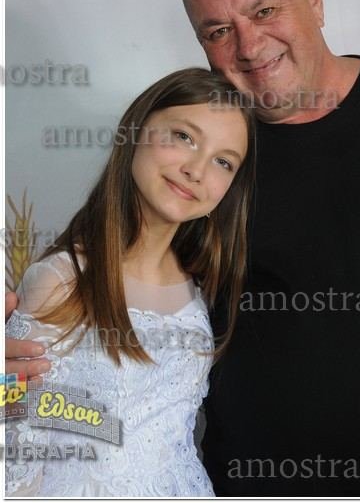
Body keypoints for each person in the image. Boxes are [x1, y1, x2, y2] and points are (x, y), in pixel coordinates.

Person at [6, 0, 360, 496]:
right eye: (218, 31)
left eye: (265, 11)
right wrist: (11, 367)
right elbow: (94, 300)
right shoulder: (203, 161)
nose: (249, 47)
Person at [5, 67, 256, 497]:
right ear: (136, 131)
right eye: (184, 136)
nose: (196, 170)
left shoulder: (200, 288)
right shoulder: (61, 282)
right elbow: (16, 449)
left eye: (223, 161)